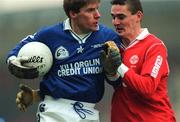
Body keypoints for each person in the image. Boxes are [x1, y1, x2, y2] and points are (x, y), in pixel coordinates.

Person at [6, 0, 121, 122]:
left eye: (97, 9)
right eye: (90, 10)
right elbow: (17, 51)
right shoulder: (49, 35)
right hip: (54, 112)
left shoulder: (108, 37)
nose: (98, 14)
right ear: (73, 14)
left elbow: (117, 82)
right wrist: (12, 61)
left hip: (88, 113)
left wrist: (111, 72)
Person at [100, 0, 176, 122]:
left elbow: (147, 87)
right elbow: (118, 84)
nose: (115, 22)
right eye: (113, 17)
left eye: (121, 17)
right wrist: (110, 72)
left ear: (138, 16)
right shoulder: (114, 46)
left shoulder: (154, 46)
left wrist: (119, 66)